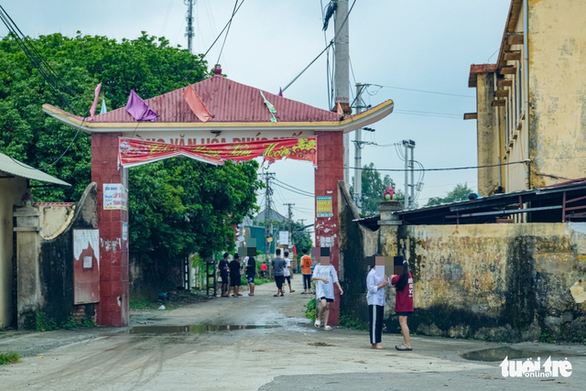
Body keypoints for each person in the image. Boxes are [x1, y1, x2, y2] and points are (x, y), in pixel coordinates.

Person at [312, 255, 343, 331]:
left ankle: (325, 324)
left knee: (328, 306)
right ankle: (319, 317)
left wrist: (339, 288)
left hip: (328, 288)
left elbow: (335, 278)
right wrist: (322, 279)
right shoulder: (318, 266)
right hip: (320, 287)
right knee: (324, 304)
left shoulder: (331, 267)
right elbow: (314, 277)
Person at [366, 255, 390, 349]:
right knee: (374, 322)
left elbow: (388, 283)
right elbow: (371, 288)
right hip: (374, 300)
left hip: (380, 300)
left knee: (379, 322)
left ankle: (377, 341)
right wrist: (382, 285)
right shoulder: (371, 274)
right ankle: (374, 342)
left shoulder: (381, 272)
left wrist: (386, 280)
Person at [391, 257, 414, 351]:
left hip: (403, 303)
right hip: (407, 302)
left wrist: (392, 273)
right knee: (404, 322)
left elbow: (393, 281)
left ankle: (407, 344)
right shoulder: (407, 274)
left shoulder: (401, 274)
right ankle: (406, 343)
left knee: (403, 323)